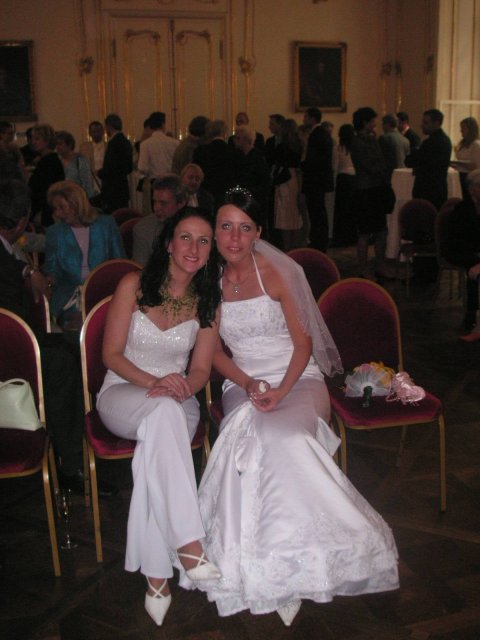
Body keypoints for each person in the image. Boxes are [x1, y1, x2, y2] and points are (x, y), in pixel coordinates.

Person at [195, 188, 399, 626]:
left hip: (298, 377)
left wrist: (281, 390)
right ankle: (270, 566)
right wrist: (249, 383)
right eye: (226, 226)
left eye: (244, 228)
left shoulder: (278, 272)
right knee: (253, 438)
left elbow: (304, 345)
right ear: (215, 230)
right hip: (242, 380)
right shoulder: (208, 280)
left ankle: (295, 565)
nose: (234, 237)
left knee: (284, 437)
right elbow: (212, 353)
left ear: (258, 233)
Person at [96, 207, 222, 626]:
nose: (194, 248)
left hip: (177, 399)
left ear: (211, 251)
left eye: (203, 241)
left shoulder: (209, 301)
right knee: (162, 416)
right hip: (122, 392)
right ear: (168, 243)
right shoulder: (132, 285)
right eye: (185, 237)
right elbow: (111, 355)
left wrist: (181, 386)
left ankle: (157, 577)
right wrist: (156, 381)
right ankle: (189, 545)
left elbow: (200, 369)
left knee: (162, 427)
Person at [43, 180, 125, 330]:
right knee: (80, 321)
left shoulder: (106, 225)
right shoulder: (55, 233)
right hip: (69, 295)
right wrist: (49, 279)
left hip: (103, 291)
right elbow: (52, 269)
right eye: (55, 209)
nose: (57, 213)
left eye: (62, 207)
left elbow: (119, 264)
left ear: (76, 204)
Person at [350, 107, 393, 278]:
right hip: (365, 190)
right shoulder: (357, 142)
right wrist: (381, 170)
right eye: (372, 121)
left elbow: (381, 160)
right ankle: (363, 267)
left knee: (381, 230)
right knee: (365, 232)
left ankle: (380, 265)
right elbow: (366, 164)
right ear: (364, 122)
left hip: (376, 188)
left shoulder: (372, 139)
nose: (375, 124)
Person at [442, 170, 480, 341]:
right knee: (475, 270)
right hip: (460, 250)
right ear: (473, 189)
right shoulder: (462, 210)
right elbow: (458, 240)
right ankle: (472, 315)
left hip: (475, 251)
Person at [132, 174, 187, 266]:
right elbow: (139, 270)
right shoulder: (143, 229)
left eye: (163, 203)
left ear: (181, 203)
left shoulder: (196, 227)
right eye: (154, 202)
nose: (156, 208)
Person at [405, 108, 452, 211]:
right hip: (438, 190)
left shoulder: (431, 143)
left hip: (427, 191)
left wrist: (413, 152)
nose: (422, 125)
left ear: (437, 123)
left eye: (426, 123)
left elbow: (411, 161)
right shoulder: (445, 140)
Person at [302, 107, 334, 251]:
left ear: (312, 119)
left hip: (315, 181)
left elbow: (314, 161)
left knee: (316, 213)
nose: (303, 119)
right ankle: (319, 241)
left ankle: (318, 242)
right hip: (319, 180)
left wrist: (303, 165)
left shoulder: (316, 135)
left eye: (306, 117)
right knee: (318, 212)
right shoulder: (322, 134)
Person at [272, 118, 303, 251]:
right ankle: (295, 246)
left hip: (284, 179)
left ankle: (287, 247)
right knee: (295, 214)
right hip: (295, 178)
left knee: (284, 215)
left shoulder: (281, 146)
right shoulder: (299, 144)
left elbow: (277, 162)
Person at [28, 124, 65, 226]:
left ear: (47, 140)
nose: (33, 142)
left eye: (37, 139)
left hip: (46, 211)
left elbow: (46, 190)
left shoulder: (49, 162)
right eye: (32, 139)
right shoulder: (46, 160)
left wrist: (40, 211)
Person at [98, 113, 133, 214]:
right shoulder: (126, 141)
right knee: (122, 215)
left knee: (113, 216)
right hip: (122, 187)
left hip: (112, 189)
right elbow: (129, 167)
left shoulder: (113, 143)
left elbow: (111, 167)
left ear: (109, 126)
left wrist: (100, 173)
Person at [332, 123, 357, 246]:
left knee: (342, 210)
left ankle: (341, 237)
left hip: (343, 179)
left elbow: (335, 166)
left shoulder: (338, 148)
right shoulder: (356, 147)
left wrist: (333, 182)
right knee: (353, 209)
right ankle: (353, 236)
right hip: (355, 178)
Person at [56, 130, 95, 199]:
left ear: (69, 145)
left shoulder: (80, 160)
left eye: (60, 144)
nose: (57, 147)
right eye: (56, 144)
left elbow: (87, 184)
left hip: (78, 199)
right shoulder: (58, 162)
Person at [453, 117, 480, 200]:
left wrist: (459, 163)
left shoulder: (476, 145)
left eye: (464, 128)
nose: (461, 131)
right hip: (459, 174)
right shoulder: (462, 144)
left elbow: (476, 166)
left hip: (469, 177)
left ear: (471, 130)